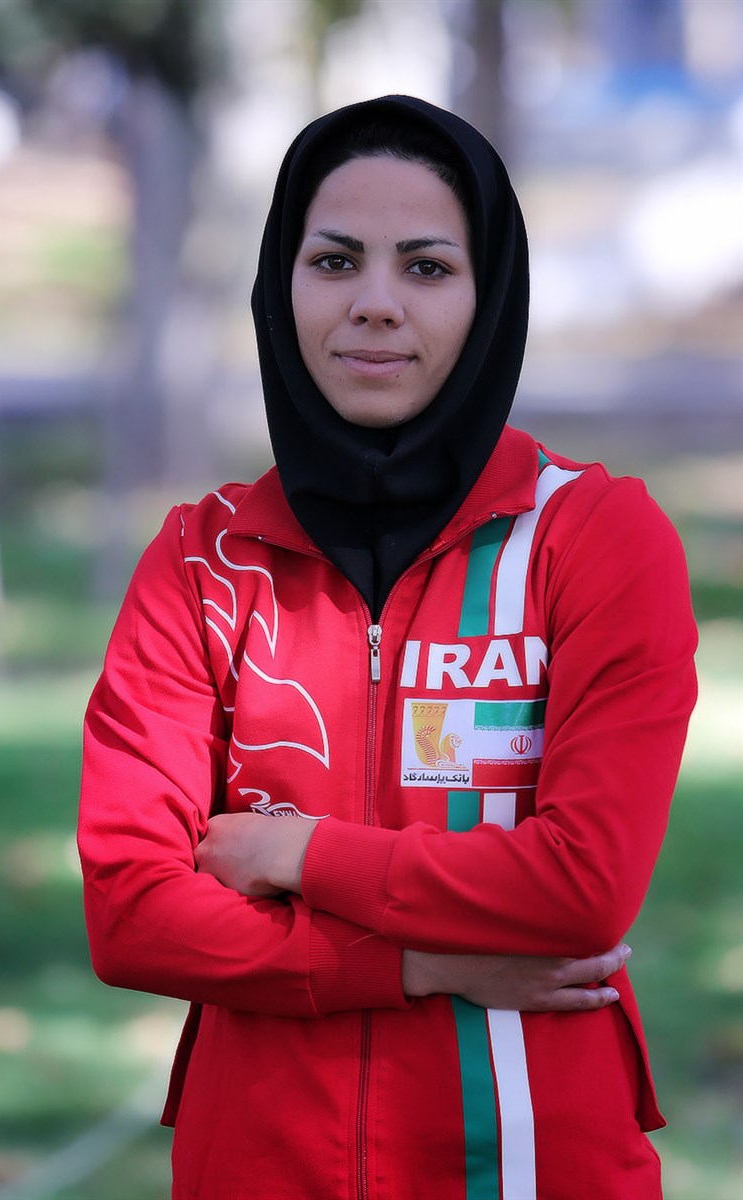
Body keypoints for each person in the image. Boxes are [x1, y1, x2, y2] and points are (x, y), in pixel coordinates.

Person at [78, 95, 697, 1200]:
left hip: (535, 1168)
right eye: (335, 261)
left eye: (426, 267)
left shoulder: (596, 539)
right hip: (256, 1170)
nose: (374, 302)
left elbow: (583, 887)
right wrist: (414, 963)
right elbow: (133, 915)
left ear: (490, 296)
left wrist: (299, 854)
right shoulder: (199, 562)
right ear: (279, 287)